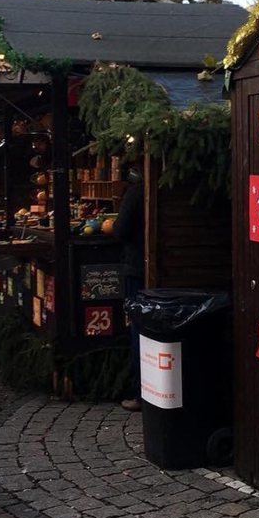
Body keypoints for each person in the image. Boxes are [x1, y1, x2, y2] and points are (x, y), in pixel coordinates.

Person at [113, 168, 145, 412]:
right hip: (163, 270)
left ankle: (140, 393)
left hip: (136, 268)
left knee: (137, 328)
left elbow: (120, 230)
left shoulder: (135, 193)